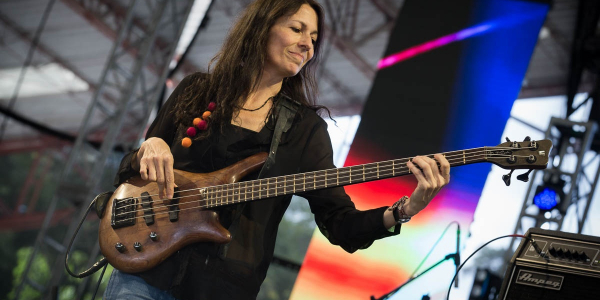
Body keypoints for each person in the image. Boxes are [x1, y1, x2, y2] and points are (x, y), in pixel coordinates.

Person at [103, 0, 450, 299]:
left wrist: (405, 209)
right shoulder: (197, 90)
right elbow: (128, 173)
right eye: (297, 29)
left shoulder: (304, 130)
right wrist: (150, 145)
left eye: (313, 38)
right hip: (146, 275)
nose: (307, 45)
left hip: (223, 290)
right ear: (262, 27)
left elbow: (340, 224)